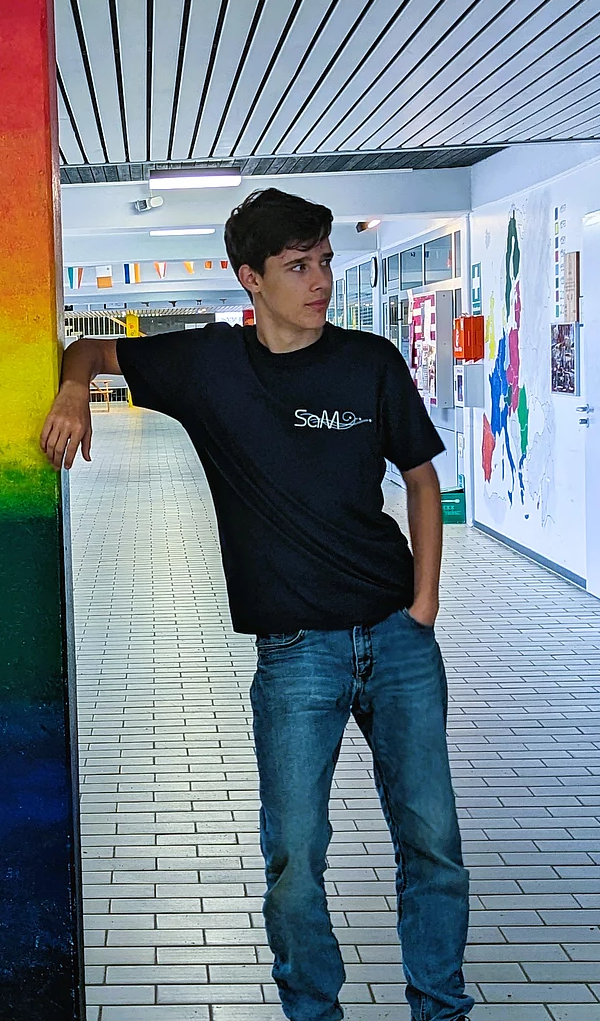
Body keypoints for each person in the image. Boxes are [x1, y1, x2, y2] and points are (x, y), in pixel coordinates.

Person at [40, 189, 472, 1021]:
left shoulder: (371, 361)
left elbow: (421, 479)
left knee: (433, 843)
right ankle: (313, 1011)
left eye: (326, 262)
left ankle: (440, 1008)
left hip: (397, 639)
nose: (321, 281)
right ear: (251, 278)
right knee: (294, 857)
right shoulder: (209, 364)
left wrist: (423, 605)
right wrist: (70, 391)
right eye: (298, 266)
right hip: (296, 655)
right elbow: (88, 349)